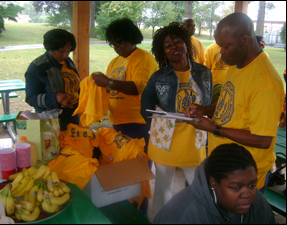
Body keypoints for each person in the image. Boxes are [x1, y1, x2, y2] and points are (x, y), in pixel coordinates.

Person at [184, 13, 285, 193]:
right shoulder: (237, 65)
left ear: (245, 40)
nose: (221, 52)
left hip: (243, 179)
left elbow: (263, 140)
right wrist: (205, 109)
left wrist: (215, 129)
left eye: (225, 46)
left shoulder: (265, 84)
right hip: (225, 167)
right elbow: (231, 101)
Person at [140, 22, 213, 215]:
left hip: (194, 141)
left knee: (199, 188)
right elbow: (145, 108)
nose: (174, 47)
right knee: (162, 189)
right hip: (165, 141)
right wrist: (160, 125)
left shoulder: (204, 72)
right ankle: (159, 219)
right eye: (167, 45)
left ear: (186, 43)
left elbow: (209, 104)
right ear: (162, 52)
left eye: (177, 41)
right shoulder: (157, 77)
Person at [91, 18, 158, 216]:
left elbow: (138, 86)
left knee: (138, 173)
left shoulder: (143, 58)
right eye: (112, 43)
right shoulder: (116, 61)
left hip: (139, 125)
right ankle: (125, 211)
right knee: (122, 171)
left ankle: (140, 214)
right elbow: (108, 85)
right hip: (118, 124)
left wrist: (108, 82)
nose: (116, 47)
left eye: (119, 42)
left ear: (131, 39)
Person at [154, 143, 276, 224]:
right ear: (214, 183)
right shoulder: (185, 215)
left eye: (251, 185)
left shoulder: (258, 204)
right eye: (236, 188)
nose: (246, 194)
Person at [25, 29, 80, 131]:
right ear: (50, 48)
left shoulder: (68, 62)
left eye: (68, 51)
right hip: (52, 120)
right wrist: (54, 97)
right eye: (61, 51)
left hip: (73, 116)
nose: (66, 55)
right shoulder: (37, 67)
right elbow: (30, 98)